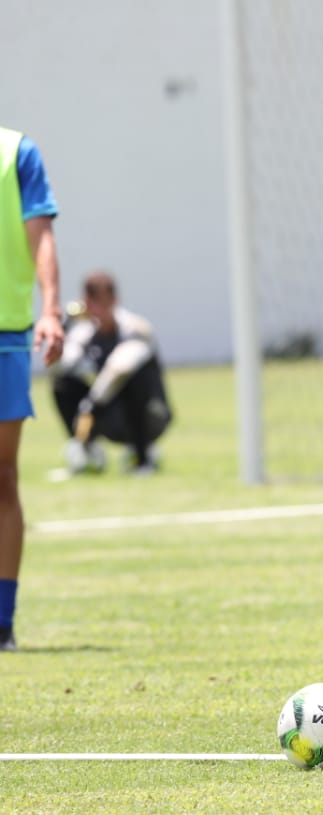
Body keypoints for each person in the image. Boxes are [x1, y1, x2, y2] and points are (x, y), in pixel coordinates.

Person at [0, 125, 64, 651]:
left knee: (2, 476)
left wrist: (50, 310)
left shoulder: (15, 151)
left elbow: (40, 233)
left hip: (6, 336)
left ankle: (2, 622)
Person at [51, 271, 172, 476]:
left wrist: (92, 404)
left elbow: (121, 368)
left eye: (102, 302)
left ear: (115, 300)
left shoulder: (135, 328)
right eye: (92, 302)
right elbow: (61, 366)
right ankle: (86, 450)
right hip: (108, 413)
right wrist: (65, 326)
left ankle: (143, 455)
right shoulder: (85, 333)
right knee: (63, 384)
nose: (98, 309)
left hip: (150, 413)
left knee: (134, 380)